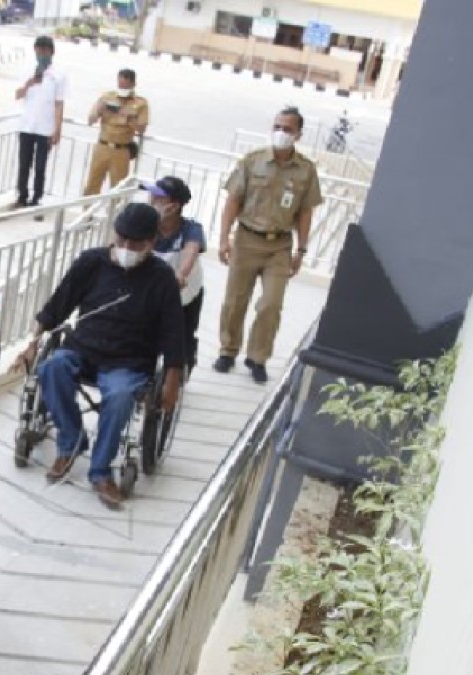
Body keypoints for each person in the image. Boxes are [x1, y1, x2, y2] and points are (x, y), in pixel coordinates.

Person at [18, 203, 183, 510]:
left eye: (135, 245)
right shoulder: (91, 263)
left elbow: (174, 333)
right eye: (121, 241)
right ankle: (70, 441)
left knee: (120, 396)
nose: (125, 249)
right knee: (51, 367)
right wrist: (33, 341)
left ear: (152, 244)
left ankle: (100, 470)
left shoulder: (162, 279)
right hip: (85, 348)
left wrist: (172, 379)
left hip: (129, 360)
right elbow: (57, 305)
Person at [214, 107, 323, 384]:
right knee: (235, 301)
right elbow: (233, 201)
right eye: (277, 126)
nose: (281, 133)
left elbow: (306, 213)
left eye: (288, 129)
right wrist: (224, 238)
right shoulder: (252, 161)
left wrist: (301, 250)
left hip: (280, 246)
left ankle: (258, 357)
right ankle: (228, 349)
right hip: (247, 239)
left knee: (271, 305)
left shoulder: (305, 170)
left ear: (298, 134)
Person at [144, 176, 206, 375]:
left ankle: (182, 366)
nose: (153, 199)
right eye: (152, 195)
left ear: (174, 205)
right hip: (151, 290)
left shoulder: (192, 229)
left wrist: (180, 275)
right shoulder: (147, 224)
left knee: (182, 335)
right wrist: (156, 221)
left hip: (184, 292)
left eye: (159, 197)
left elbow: (191, 252)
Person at [15, 35, 67, 209]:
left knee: (40, 167)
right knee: (24, 164)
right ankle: (22, 194)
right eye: (39, 50)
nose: (41, 53)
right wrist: (29, 83)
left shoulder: (58, 75)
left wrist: (57, 129)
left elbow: (59, 104)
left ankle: (36, 197)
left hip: (45, 128)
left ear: (51, 52)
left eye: (45, 50)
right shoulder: (28, 70)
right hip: (27, 126)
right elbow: (17, 95)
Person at [83, 68, 148, 196]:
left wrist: (128, 117)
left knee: (118, 186)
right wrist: (100, 110)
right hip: (103, 146)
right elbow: (90, 120)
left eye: (126, 85)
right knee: (92, 182)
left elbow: (141, 129)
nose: (122, 88)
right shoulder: (107, 97)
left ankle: (114, 214)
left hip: (121, 150)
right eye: (120, 84)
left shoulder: (141, 103)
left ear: (133, 84)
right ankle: (87, 212)